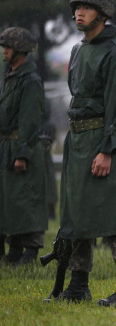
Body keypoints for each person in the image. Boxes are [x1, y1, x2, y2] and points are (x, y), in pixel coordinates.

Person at [56, 0, 116, 307]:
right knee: (78, 214)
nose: (79, 12)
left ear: (102, 15)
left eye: (87, 7)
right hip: (77, 141)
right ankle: (78, 285)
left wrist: (107, 149)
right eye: (76, 7)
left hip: (104, 143)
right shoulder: (77, 51)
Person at [0, 27, 47, 265]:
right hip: (7, 147)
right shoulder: (10, 76)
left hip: (22, 147)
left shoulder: (29, 81)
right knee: (10, 202)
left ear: (20, 49)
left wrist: (23, 153)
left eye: (8, 46)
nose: (4, 50)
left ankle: (29, 250)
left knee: (26, 200)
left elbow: (30, 120)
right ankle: (14, 249)